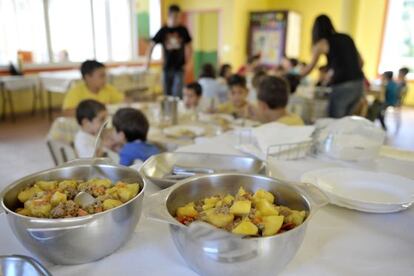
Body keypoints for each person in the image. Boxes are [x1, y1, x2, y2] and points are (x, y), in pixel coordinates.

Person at [301, 14, 364, 118]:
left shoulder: (322, 43)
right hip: (359, 84)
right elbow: (361, 62)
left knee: (335, 122)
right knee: (346, 121)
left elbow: (309, 69)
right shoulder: (346, 37)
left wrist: (294, 73)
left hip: (342, 86)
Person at [146, 4, 192, 98]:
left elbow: (189, 47)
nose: (178, 18)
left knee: (177, 94)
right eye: (176, 16)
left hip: (179, 67)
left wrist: (188, 62)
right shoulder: (163, 30)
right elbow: (151, 45)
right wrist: (147, 62)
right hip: (167, 67)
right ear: (170, 16)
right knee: (167, 94)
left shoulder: (183, 30)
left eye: (179, 16)